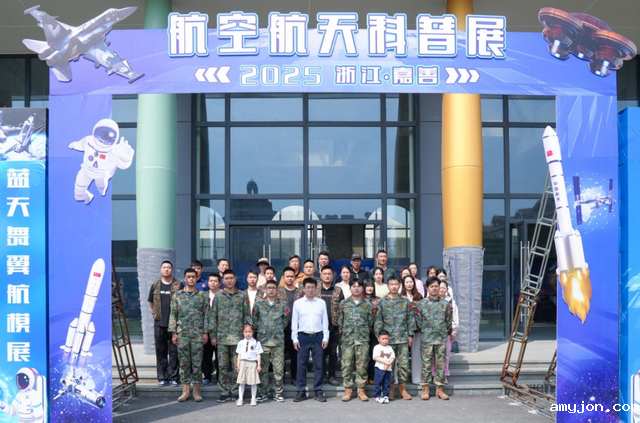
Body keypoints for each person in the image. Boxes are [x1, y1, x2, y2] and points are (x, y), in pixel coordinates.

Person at [168, 268, 209, 402]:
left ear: (197, 278)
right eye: (189, 277)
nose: (191, 279)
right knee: (184, 363)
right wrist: (174, 333)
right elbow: (173, 315)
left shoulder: (202, 296)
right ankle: (185, 391)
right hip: (183, 334)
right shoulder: (177, 295)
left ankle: (197, 391)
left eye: (193, 277)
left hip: (198, 334)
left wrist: (205, 332)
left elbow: (207, 315)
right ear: (184, 279)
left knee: (197, 363)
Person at [210, 269, 249, 402]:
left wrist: (247, 336)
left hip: (238, 338)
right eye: (226, 279)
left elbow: (247, 316)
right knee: (222, 366)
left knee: (238, 366)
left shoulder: (242, 295)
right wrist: (213, 335)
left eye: (231, 278)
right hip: (222, 338)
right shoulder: (218, 296)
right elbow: (213, 317)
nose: (229, 281)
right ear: (223, 281)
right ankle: (224, 391)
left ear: (235, 279)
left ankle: (236, 391)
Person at [374, 277, 415, 400]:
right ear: (388, 286)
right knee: (388, 365)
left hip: (402, 338)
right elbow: (378, 320)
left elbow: (410, 319)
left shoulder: (405, 301)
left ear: (399, 286)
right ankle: (390, 388)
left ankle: (403, 389)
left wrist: (410, 335)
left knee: (403, 364)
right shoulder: (382, 302)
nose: (393, 286)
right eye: (391, 284)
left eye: (396, 284)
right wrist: (379, 337)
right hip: (388, 340)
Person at [252, 279, 290, 402]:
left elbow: (286, 319)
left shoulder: (283, 304)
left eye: (273, 288)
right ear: (265, 290)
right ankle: (263, 392)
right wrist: (262, 329)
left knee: (278, 369)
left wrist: (277, 329)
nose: (271, 290)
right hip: (263, 341)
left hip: (278, 341)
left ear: (277, 290)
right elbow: (254, 319)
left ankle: (278, 392)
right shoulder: (259, 304)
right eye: (269, 288)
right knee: (262, 368)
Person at [291, 278, 329, 403]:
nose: (310, 290)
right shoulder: (298, 303)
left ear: (316, 288)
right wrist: (295, 338)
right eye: (308, 287)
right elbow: (294, 322)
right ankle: (301, 391)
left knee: (319, 365)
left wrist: (325, 337)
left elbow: (325, 321)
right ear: (303, 289)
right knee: (301, 365)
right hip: (302, 337)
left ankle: (318, 390)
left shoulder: (321, 303)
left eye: (313, 287)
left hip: (318, 337)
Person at [415, 277, 453, 401]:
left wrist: (444, 332)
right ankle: (425, 389)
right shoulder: (421, 304)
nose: (434, 288)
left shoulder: (445, 304)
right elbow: (418, 321)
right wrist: (426, 330)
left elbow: (449, 321)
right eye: (432, 286)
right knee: (426, 364)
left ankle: (439, 389)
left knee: (440, 364)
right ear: (427, 288)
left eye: (436, 286)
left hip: (441, 338)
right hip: (427, 338)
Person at [337, 278, 374, 402]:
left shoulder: (368, 305)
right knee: (346, 365)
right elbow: (340, 321)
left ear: (362, 288)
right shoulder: (344, 303)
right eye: (354, 286)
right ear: (350, 288)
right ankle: (347, 390)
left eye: (359, 286)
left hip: (362, 339)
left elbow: (371, 321)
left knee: (362, 365)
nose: (356, 288)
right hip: (347, 339)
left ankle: (361, 390)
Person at [147, 260, 182, 387]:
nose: (166, 269)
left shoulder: (178, 285)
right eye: (164, 267)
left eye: (169, 267)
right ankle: (162, 377)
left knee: (174, 352)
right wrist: (157, 314)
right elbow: (151, 303)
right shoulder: (155, 285)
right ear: (161, 270)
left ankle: (173, 377)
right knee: (160, 351)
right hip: (159, 324)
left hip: (174, 325)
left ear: (172, 270)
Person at [318, 265, 340, 386]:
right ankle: (321, 376)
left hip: (333, 326)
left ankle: (331, 376)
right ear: (321, 275)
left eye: (329, 274)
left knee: (332, 353)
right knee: (320, 353)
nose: (327, 276)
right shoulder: (316, 289)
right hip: (318, 327)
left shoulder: (338, 290)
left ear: (332, 276)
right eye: (325, 274)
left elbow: (342, 308)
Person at [432, 280, 459, 381]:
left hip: (447, 332)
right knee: (434, 354)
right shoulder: (432, 300)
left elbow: (455, 317)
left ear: (447, 289)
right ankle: (434, 373)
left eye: (444, 288)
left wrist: (454, 331)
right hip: (434, 333)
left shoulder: (451, 301)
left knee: (446, 354)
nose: (442, 289)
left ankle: (444, 374)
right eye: (440, 287)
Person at [281, 267, 303, 384]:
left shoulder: (300, 292)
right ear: (283, 278)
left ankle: (294, 376)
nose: (289, 278)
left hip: (297, 328)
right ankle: (282, 377)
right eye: (287, 276)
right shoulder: (278, 291)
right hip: (281, 328)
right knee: (281, 354)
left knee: (295, 354)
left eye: (291, 276)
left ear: (295, 278)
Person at [403, 275, 425, 385]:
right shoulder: (400, 297)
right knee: (402, 355)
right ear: (403, 284)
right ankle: (401, 379)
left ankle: (416, 377)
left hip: (416, 329)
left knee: (416, 354)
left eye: (411, 282)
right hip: (402, 329)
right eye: (407, 282)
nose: (409, 284)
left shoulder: (419, 296)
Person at [235, 324, 263, 406]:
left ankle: (253, 398)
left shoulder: (256, 342)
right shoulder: (241, 342)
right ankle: (240, 398)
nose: (248, 334)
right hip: (243, 362)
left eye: (250, 332)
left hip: (252, 363)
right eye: (246, 332)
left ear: (253, 332)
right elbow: (239, 354)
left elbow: (258, 354)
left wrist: (259, 365)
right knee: (241, 382)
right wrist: (238, 365)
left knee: (253, 382)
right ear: (243, 332)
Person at [202, 273, 221, 386]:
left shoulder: (223, 295)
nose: (213, 283)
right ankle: (207, 377)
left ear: (219, 283)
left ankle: (220, 378)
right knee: (206, 355)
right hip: (206, 330)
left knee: (220, 357)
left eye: (215, 281)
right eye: (211, 281)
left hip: (220, 330)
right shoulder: (203, 295)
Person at [373, 329, 395, 404]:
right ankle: (377, 396)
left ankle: (386, 396)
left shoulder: (390, 348)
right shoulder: (377, 347)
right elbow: (375, 357)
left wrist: (388, 364)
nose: (385, 341)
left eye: (387, 339)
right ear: (379, 339)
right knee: (378, 382)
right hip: (379, 368)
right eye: (383, 339)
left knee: (387, 383)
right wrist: (385, 362)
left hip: (388, 369)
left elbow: (392, 357)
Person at [363, 278, 377, 383]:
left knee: (373, 354)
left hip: (374, 331)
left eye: (371, 286)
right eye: (367, 286)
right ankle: (363, 377)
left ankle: (371, 376)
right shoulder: (360, 299)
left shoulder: (378, 300)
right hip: (362, 331)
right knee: (363, 355)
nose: (369, 288)